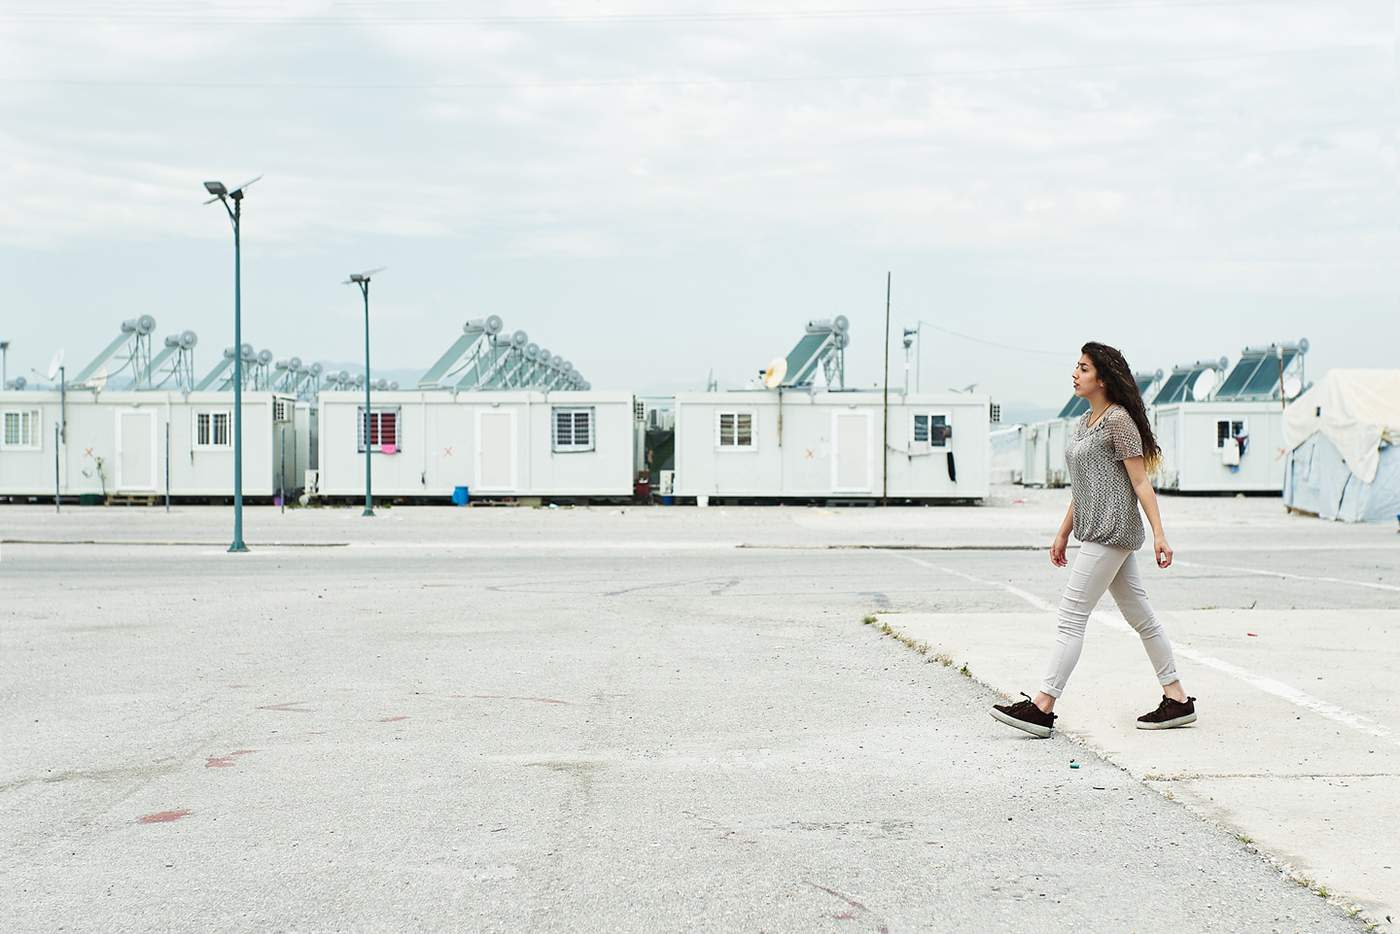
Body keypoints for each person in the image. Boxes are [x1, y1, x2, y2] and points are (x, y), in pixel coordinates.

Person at [992, 342, 1196, 738]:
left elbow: (1140, 482)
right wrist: (1063, 531)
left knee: (1071, 617)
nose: (1075, 373)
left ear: (1102, 378)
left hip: (1113, 530)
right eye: (1076, 366)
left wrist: (1159, 534)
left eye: (1083, 368)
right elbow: (1083, 487)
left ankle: (1043, 706)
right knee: (1141, 617)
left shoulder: (1118, 421)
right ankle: (1177, 698)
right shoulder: (1083, 423)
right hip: (1095, 529)